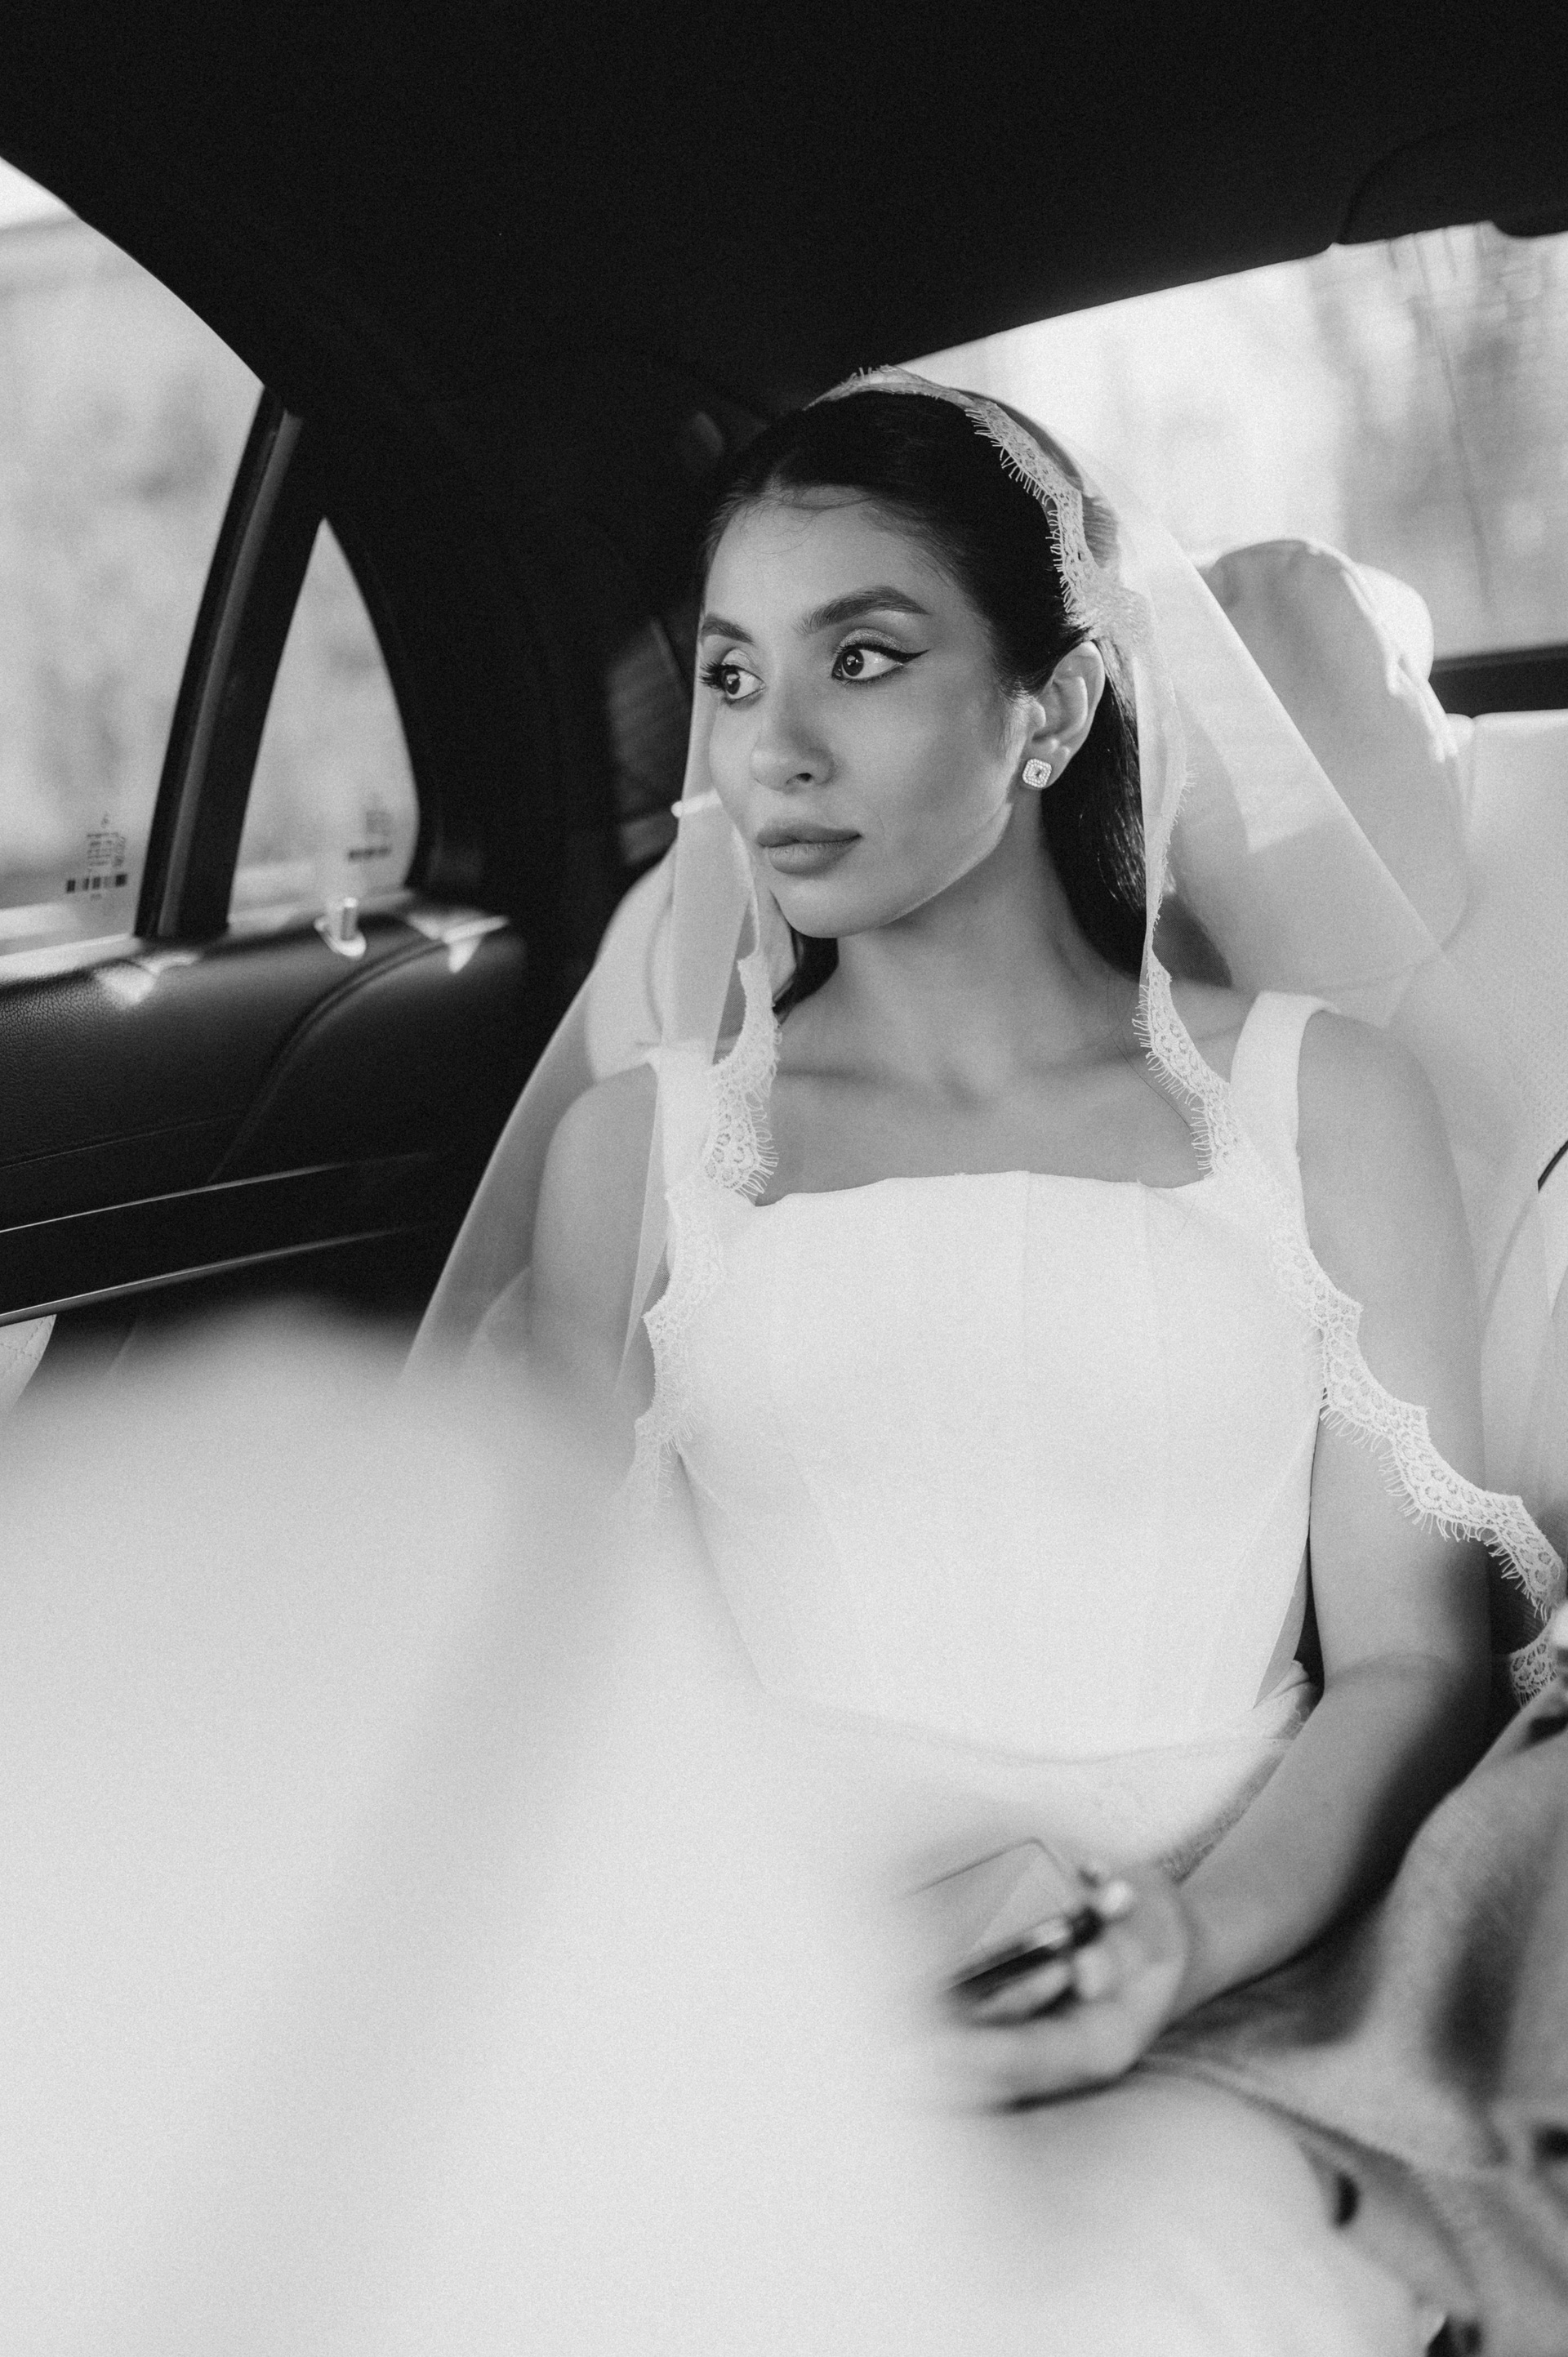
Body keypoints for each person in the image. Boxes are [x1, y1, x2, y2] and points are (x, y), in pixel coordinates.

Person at [417, 371, 1568, 2347]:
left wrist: (1177, 1941)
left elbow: (1411, 1664)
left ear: (1050, 708)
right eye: (730, 675)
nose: (774, 749)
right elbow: (570, 1689)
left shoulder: (1320, 1104)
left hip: (1235, 1950)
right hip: (777, 1969)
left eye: (861, 658)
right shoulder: (642, 1151)